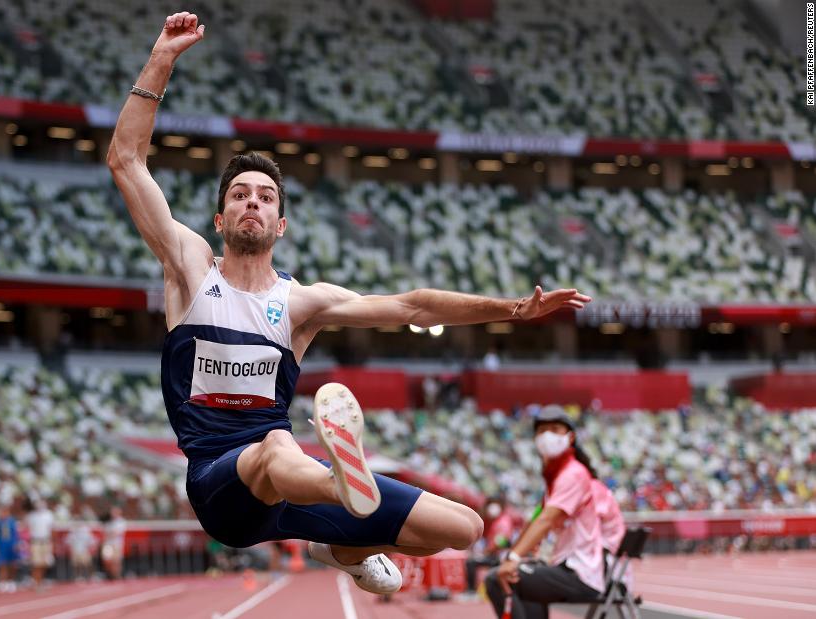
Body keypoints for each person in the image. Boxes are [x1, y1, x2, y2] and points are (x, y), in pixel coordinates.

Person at [107, 11, 592, 595]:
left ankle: (341, 544)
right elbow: (127, 160)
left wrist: (512, 309)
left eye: (265, 197)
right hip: (220, 484)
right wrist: (162, 57)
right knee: (277, 442)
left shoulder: (301, 304)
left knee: (463, 527)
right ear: (219, 219)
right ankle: (345, 486)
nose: (252, 204)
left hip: (294, 492)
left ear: (280, 224)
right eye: (239, 196)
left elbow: (414, 308)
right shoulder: (188, 269)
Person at [485, 406, 604, 618]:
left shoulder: (573, 473)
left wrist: (513, 557)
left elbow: (546, 519)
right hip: (564, 565)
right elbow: (537, 519)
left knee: (497, 578)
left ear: (570, 437)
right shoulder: (555, 479)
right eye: (542, 430)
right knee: (520, 581)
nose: (548, 435)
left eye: (555, 428)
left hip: (580, 574)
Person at [466, 496, 516, 592]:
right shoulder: (498, 521)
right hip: (495, 555)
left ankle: (471, 591)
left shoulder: (503, 522)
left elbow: (501, 541)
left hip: (497, 557)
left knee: (471, 563)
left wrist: (487, 552)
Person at [26, 498, 55, 589]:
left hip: (46, 541)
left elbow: (52, 529)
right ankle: (36, 581)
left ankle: (40, 580)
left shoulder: (49, 515)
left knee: (45, 562)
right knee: (36, 563)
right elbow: (28, 529)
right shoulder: (31, 516)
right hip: (36, 541)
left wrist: (52, 541)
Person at [0, 503, 20, 592]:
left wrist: (16, 544)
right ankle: (2, 582)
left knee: (12, 564)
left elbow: (15, 534)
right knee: (2, 564)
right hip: (2, 545)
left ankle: (11, 581)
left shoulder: (12, 521)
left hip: (11, 544)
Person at [100, 506, 126, 580]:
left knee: (116, 561)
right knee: (107, 560)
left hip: (116, 544)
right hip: (108, 544)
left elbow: (116, 533)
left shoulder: (121, 521)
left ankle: (117, 576)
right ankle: (110, 575)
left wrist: (110, 534)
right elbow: (104, 533)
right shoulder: (108, 522)